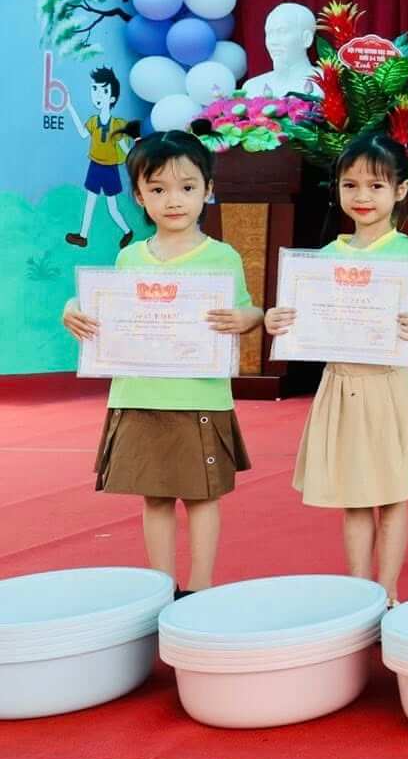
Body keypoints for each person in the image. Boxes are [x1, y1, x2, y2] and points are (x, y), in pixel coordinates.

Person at [265, 130, 408, 606]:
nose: (362, 196)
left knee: (393, 495)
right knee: (354, 496)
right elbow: (300, 320)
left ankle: (389, 589)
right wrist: (278, 321)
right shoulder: (323, 260)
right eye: (350, 185)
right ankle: (360, 591)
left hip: (395, 385)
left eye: (376, 186)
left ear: (400, 190)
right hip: (343, 384)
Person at [61, 132, 263, 594]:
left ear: (208, 190)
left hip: (199, 396)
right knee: (154, 497)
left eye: (187, 187)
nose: (174, 200)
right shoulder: (129, 257)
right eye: (158, 189)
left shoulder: (222, 257)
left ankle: (201, 589)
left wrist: (246, 318)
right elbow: (104, 308)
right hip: (140, 394)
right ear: (138, 196)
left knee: (202, 496)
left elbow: (248, 310)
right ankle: (161, 587)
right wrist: (72, 307)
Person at [65, 66, 135, 248]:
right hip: (95, 166)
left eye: (103, 90)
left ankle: (127, 231)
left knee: (113, 208)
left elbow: (125, 148)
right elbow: (82, 133)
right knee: (90, 202)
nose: (98, 94)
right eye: (94, 89)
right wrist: (70, 107)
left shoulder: (117, 125)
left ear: (112, 98)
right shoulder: (93, 122)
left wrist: (135, 161)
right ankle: (83, 236)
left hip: (110, 169)